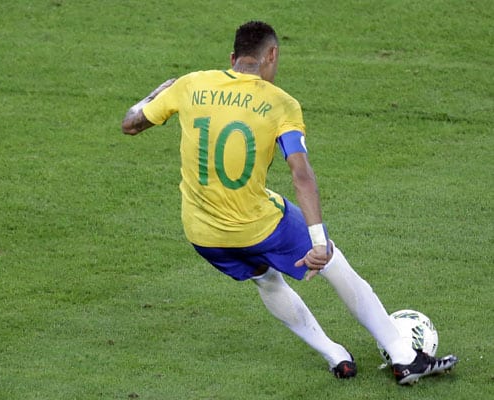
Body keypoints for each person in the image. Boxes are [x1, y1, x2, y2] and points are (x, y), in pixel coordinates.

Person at [121, 20, 458, 385]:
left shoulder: (189, 84)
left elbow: (131, 124)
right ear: (272, 55)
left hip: (202, 233)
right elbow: (301, 173)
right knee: (332, 259)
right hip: (257, 224)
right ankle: (406, 357)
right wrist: (317, 242)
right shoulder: (281, 104)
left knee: (266, 281)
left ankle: (335, 356)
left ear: (233, 57)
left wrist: (153, 95)